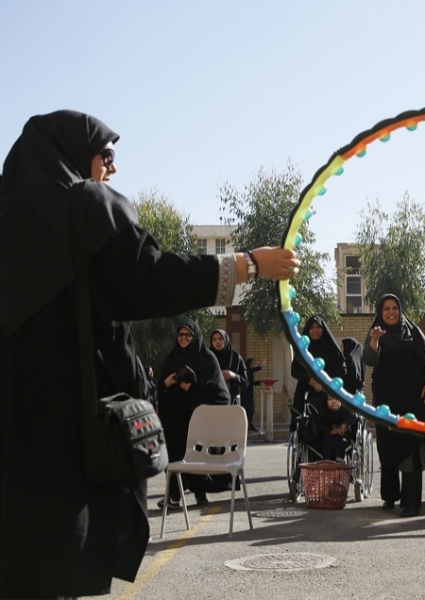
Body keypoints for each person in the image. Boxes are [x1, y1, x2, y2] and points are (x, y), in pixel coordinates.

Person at [0, 110, 299, 598]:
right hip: (66, 428)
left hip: (14, 434)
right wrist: (247, 265)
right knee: (54, 565)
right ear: (76, 156)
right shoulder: (83, 208)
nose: (111, 169)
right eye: (106, 156)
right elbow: (149, 277)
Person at [364, 294, 425, 518]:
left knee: (411, 449)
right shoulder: (376, 331)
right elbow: (369, 360)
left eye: (395, 307)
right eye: (386, 308)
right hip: (386, 400)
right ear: (380, 311)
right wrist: (374, 341)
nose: (391, 312)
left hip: (414, 401)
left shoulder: (412, 331)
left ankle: (412, 503)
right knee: (388, 448)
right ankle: (390, 495)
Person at [158, 322, 231, 507]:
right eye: (180, 334)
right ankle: (174, 496)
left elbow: (221, 392)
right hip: (176, 418)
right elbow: (162, 387)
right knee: (175, 454)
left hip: (197, 419)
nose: (183, 338)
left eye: (188, 335)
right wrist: (166, 383)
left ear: (196, 336)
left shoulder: (207, 358)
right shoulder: (172, 358)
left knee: (196, 455)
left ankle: (200, 493)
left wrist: (193, 386)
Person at [290, 315, 346, 429]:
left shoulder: (331, 348)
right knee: (302, 419)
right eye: (312, 328)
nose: (315, 330)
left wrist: (324, 382)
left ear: (323, 329)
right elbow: (295, 370)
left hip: (328, 392)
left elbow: (342, 369)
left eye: (318, 327)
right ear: (307, 330)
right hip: (306, 390)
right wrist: (311, 380)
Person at [209, 329, 248, 405]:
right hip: (212, 400)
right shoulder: (208, 358)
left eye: (220, 338)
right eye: (214, 339)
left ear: (226, 339)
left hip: (232, 400)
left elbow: (245, 383)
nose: (218, 342)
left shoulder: (236, 358)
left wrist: (234, 376)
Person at [314, 396, 357, 461]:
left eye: (336, 398)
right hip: (327, 436)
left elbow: (354, 415)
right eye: (330, 399)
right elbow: (319, 425)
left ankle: (339, 459)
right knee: (328, 439)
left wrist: (345, 424)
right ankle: (326, 459)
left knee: (339, 439)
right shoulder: (322, 412)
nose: (333, 401)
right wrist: (329, 431)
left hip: (343, 436)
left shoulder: (345, 409)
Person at [241, 357, 262, 431]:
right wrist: (260, 366)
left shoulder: (250, 372)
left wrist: (258, 382)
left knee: (251, 409)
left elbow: (250, 382)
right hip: (245, 393)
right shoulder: (246, 370)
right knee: (246, 409)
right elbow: (250, 371)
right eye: (252, 363)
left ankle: (250, 425)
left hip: (249, 392)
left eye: (254, 363)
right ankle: (246, 426)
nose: (253, 365)